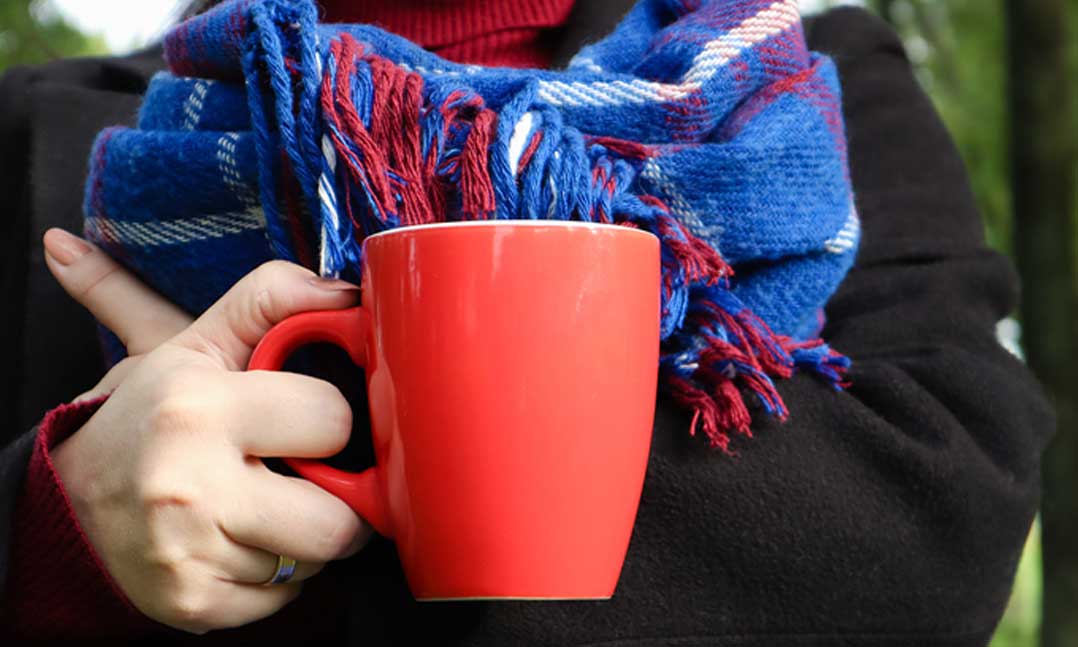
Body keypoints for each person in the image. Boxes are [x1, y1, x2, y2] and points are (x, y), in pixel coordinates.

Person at [0, 0, 1054, 644]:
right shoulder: (51, 134)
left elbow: (944, 505)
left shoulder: (800, 93)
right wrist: (52, 524)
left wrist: (314, 537)